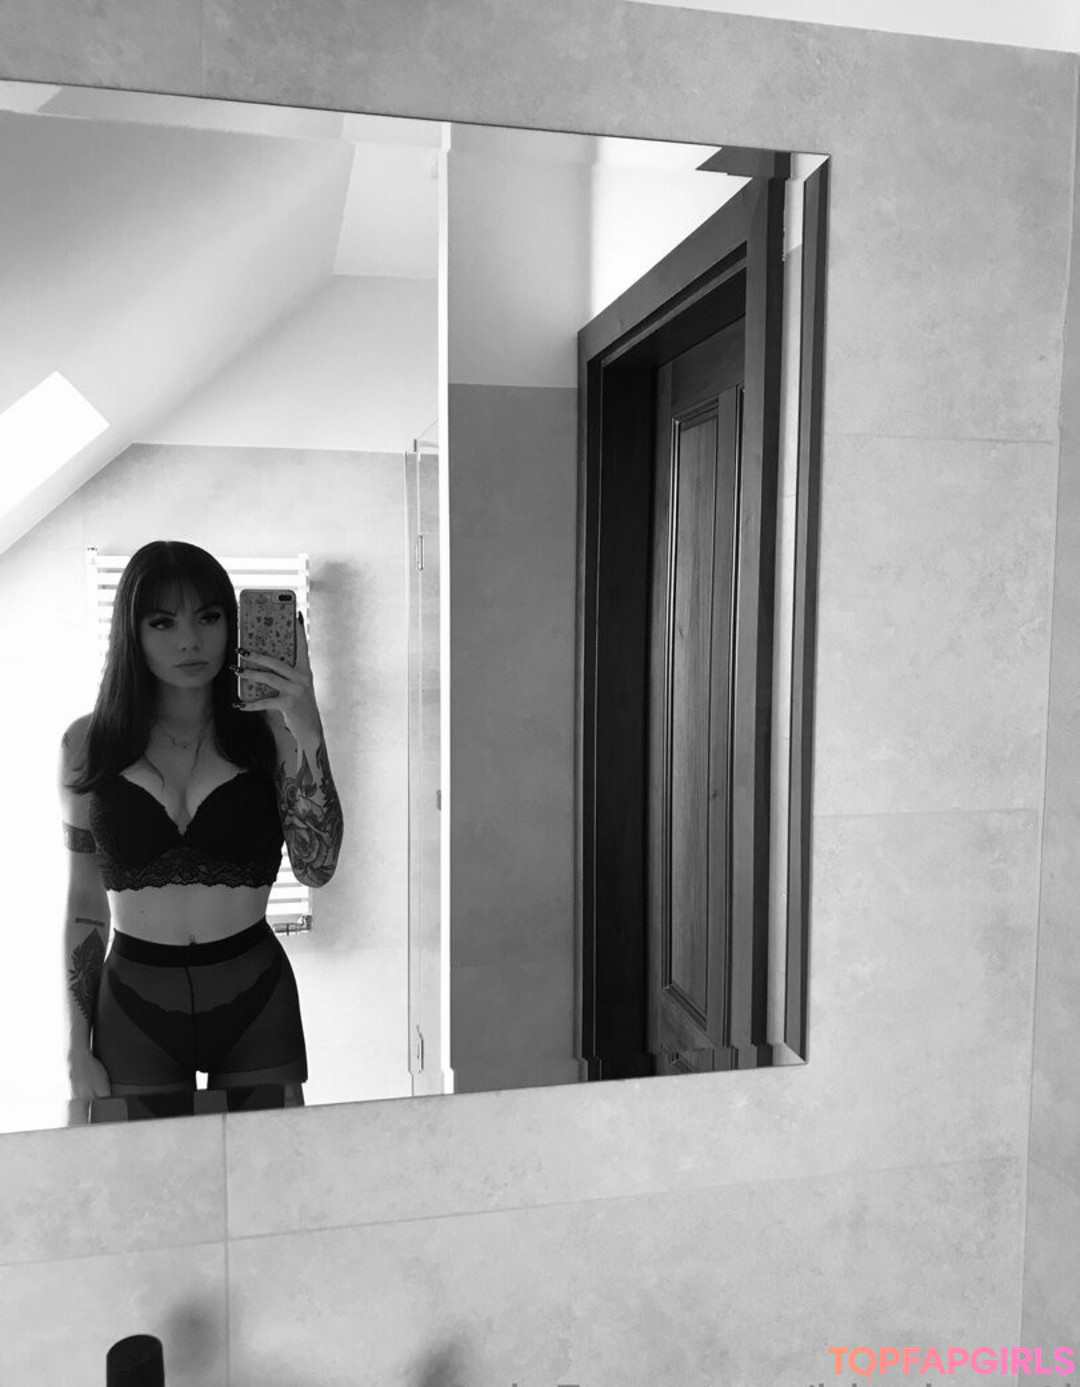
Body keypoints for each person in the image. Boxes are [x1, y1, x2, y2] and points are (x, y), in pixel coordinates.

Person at [59, 539, 343, 1122]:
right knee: (150, 1173)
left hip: (255, 997)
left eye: (209, 617)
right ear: (131, 632)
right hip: (134, 1002)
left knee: (270, 1167)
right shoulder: (87, 744)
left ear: (231, 623)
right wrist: (74, 1046)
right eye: (163, 622)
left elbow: (317, 867)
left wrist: (308, 728)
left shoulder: (274, 732)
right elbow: (85, 901)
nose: (189, 641)